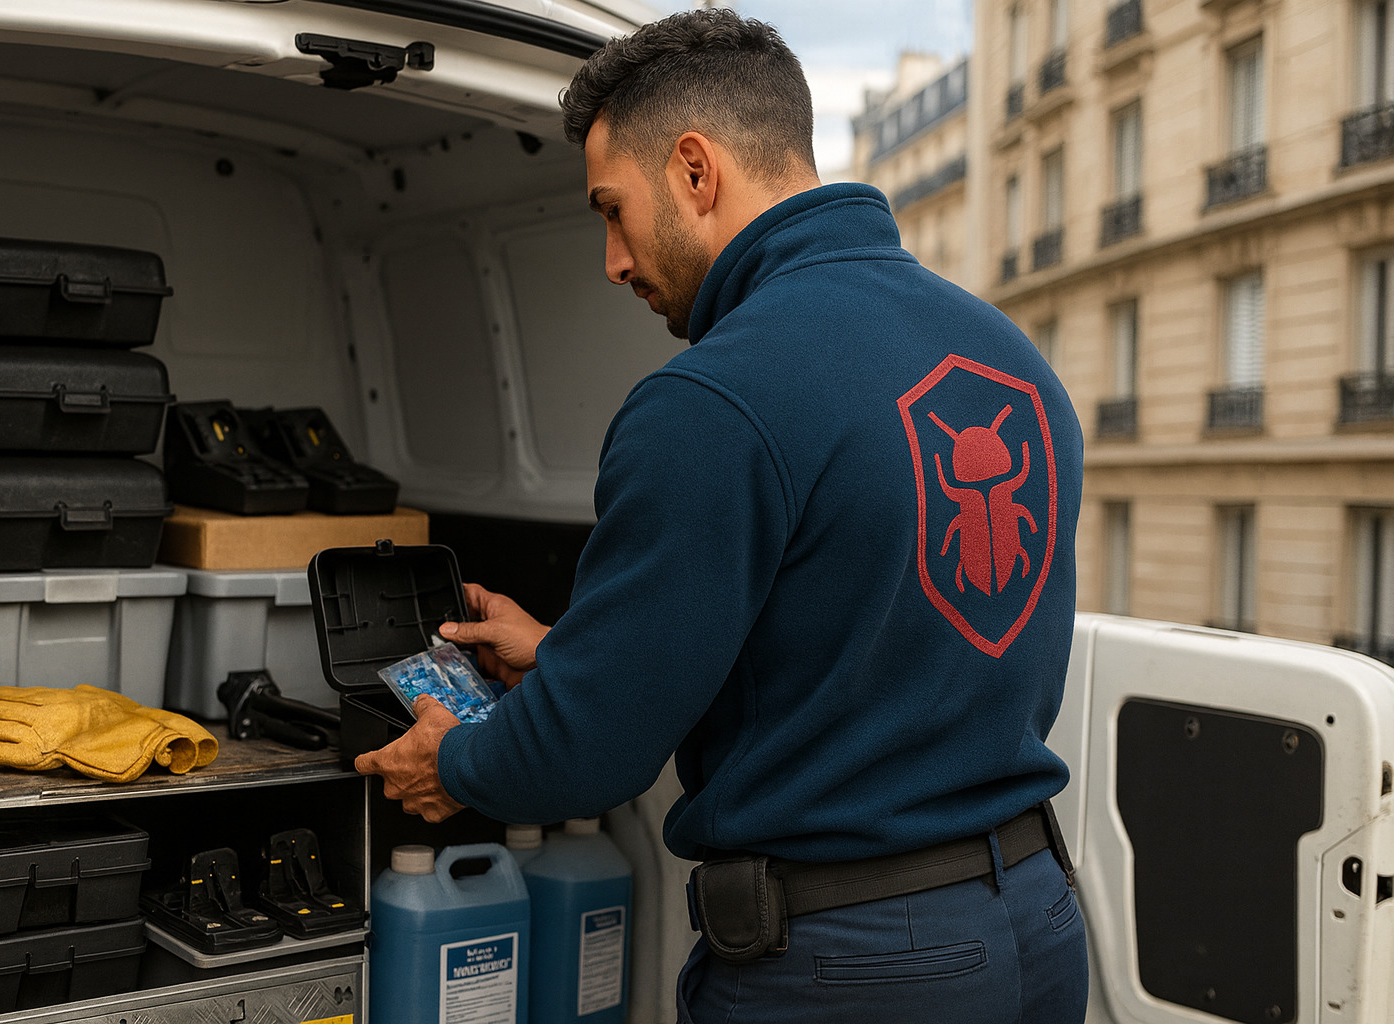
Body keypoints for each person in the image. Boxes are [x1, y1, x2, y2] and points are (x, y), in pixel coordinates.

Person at [360, 9, 1088, 1022]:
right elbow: (849, 646)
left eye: (612, 210)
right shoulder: (1015, 364)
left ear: (696, 172)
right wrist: (574, 653)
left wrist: (456, 758)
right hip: (1037, 927)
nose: (612, 259)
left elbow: (589, 755)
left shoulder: (712, 397)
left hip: (846, 967)